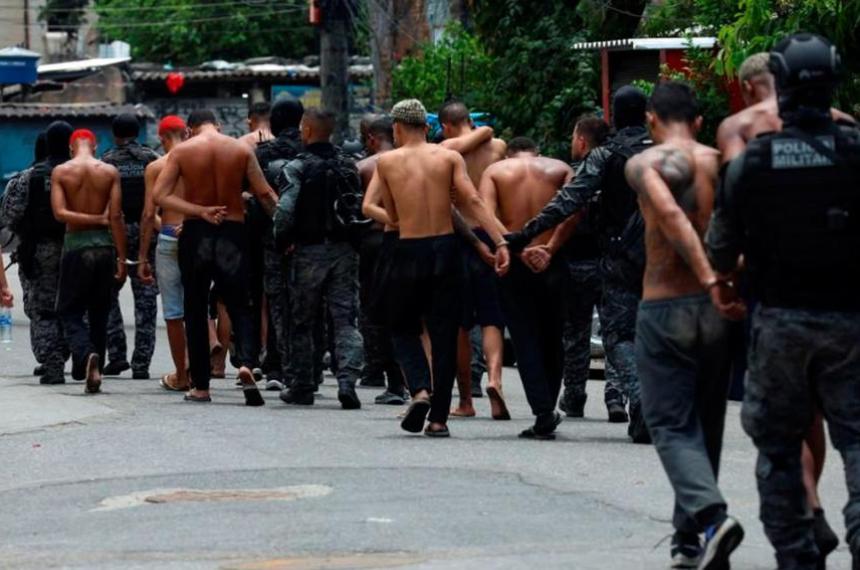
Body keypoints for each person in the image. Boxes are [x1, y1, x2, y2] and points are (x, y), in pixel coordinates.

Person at [707, 34, 860, 570]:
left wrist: (726, 283)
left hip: (778, 324)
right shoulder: (855, 149)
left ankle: (798, 557)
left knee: (777, 448)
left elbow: (720, 247)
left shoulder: (752, 160)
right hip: (850, 323)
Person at [625, 82, 746, 570]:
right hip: (717, 311)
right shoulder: (722, 163)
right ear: (698, 122)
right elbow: (744, 233)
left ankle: (712, 518)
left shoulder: (644, 164)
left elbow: (671, 215)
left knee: (669, 423)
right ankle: (690, 538)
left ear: (651, 119)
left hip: (665, 305)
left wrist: (706, 275)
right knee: (706, 423)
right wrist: (727, 281)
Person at [507, 85, 653, 443]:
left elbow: (569, 200)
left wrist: (527, 232)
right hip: (670, 255)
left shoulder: (606, 155)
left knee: (618, 335)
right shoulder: (667, 151)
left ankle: (641, 398)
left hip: (621, 257)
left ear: (614, 116)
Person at [374, 98, 510, 438]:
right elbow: (473, 201)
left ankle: (420, 388)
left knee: (402, 326)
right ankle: (438, 420)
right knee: (445, 333)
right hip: (446, 250)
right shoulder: (448, 157)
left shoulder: (386, 162)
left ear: (397, 128)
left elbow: (392, 214)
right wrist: (501, 242)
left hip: (408, 249)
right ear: (426, 126)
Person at [153, 109, 278, 406]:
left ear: (189, 130)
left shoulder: (182, 152)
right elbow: (265, 194)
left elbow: (160, 195)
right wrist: (284, 230)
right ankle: (246, 363)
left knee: (195, 307)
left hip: (196, 233)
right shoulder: (240, 149)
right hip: (233, 233)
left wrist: (199, 211)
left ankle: (201, 387)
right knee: (240, 304)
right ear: (218, 125)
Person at [480, 136, 573, 437]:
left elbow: (485, 214)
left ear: (507, 155)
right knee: (553, 336)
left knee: (524, 337)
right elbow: (575, 209)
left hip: (514, 261)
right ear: (537, 153)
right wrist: (550, 248)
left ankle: (543, 411)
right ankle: (548, 406)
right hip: (552, 259)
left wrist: (515, 246)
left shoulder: (495, 172)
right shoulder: (560, 168)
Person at [272, 107, 364, 410]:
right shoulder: (349, 165)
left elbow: (285, 211)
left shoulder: (297, 167)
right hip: (344, 252)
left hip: (308, 253)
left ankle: (302, 385)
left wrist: (282, 240)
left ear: (308, 130)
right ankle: (347, 381)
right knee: (345, 319)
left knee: (302, 320)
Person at [539, 114, 626, 421]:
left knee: (576, 333)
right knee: (615, 331)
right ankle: (616, 395)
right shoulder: (618, 173)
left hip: (576, 263)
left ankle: (574, 395)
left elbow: (564, 213)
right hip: (611, 261)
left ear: (581, 140)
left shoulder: (576, 175)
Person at [437, 99, 507, 416]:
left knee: (461, 324)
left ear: (446, 126)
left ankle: (465, 400)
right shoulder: (499, 147)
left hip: (461, 235)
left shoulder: (446, 149)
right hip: (492, 234)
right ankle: (494, 379)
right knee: (492, 317)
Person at [52, 129, 127, 395]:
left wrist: (92, 219)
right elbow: (115, 217)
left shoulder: (62, 172)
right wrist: (121, 259)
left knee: (68, 310)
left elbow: (60, 213)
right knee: (99, 312)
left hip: (76, 246)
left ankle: (85, 356)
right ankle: (96, 370)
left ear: (71, 148)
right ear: (95, 147)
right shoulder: (109, 172)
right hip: (105, 248)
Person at [0, 121, 73, 385]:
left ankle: (52, 363)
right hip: (79, 246)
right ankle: (77, 355)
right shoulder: (87, 173)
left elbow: (8, 216)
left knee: (43, 310)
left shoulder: (27, 177)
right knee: (76, 306)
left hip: (40, 251)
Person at [102, 113, 161, 380]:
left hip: (116, 233)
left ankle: (116, 356)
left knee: (108, 293)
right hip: (148, 231)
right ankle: (141, 363)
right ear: (138, 132)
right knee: (146, 300)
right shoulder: (152, 159)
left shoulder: (106, 162)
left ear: (115, 135)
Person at [252, 98, 305, 392]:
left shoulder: (263, 153)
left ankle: (277, 364)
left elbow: (253, 193)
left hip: (271, 238)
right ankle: (307, 367)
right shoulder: (311, 150)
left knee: (276, 302)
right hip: (309, 241)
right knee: (308, 302)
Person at [356, 115, 408, 405]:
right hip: (413, 237)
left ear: (373, 139)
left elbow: (357, 210)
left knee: (375, 309)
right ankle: (412, 378)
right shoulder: (410, 162)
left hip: (374, 240)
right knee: (409, 309)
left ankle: (383, 372)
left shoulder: (364, 167)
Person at [138, 115, 190, 391]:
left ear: (161, 138)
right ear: (187, 132)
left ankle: (181, 374)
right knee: (196, 305)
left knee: (173, 311)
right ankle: (200, 370)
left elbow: (149, 214)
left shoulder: (156, 167)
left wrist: (142, 258)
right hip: (196, 237)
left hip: (169, 236)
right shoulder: (199, 162)